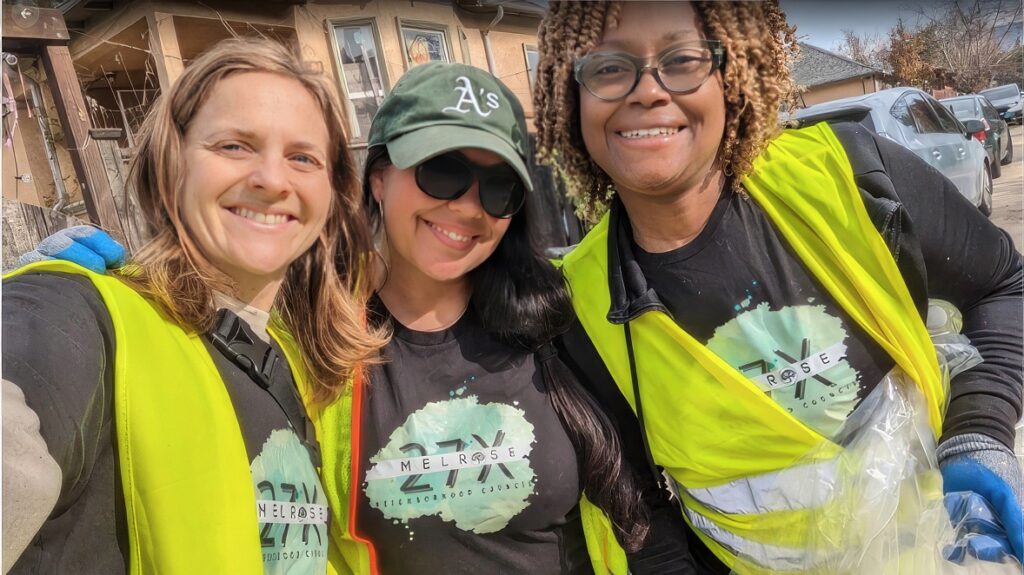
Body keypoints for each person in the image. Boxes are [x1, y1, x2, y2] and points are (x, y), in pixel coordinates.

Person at [14, 62, 691, 573]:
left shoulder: (559, 323)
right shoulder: (309, 345)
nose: (467, 205)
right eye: (443, 171)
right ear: (377, 178)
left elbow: (644, 514)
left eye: (498, 185)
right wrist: (83, 292)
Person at [533, 1, 1023, 574]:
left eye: (682, 59)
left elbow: (1003, 284)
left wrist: (979, 432)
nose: (647, 90)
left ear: (731, 75)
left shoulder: (853, 179)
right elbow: (639, 507)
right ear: (572, 100)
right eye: (608, 68)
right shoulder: (578, 304)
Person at [2, 38, 385, 574]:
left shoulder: (295, 361)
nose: (272, 180)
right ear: (169, 168)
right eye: (233, 146)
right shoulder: (78, 315)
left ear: (330, 196)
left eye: (302, 157)